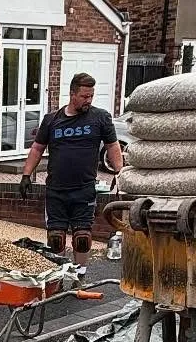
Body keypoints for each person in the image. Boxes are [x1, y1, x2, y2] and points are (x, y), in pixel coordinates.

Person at [19, 73, 123, 257]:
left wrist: (119, 172)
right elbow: (37, 148)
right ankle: (58, 279)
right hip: (56, 190)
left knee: (82, 239)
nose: (88, 100)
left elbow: (112, 146)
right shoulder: (52, 120)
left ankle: (79, 278)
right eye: (84, 96)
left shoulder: (100, 118)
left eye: (91, 96)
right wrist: (26, 175)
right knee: (55, 239)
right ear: (72, 94)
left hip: (84, 189)